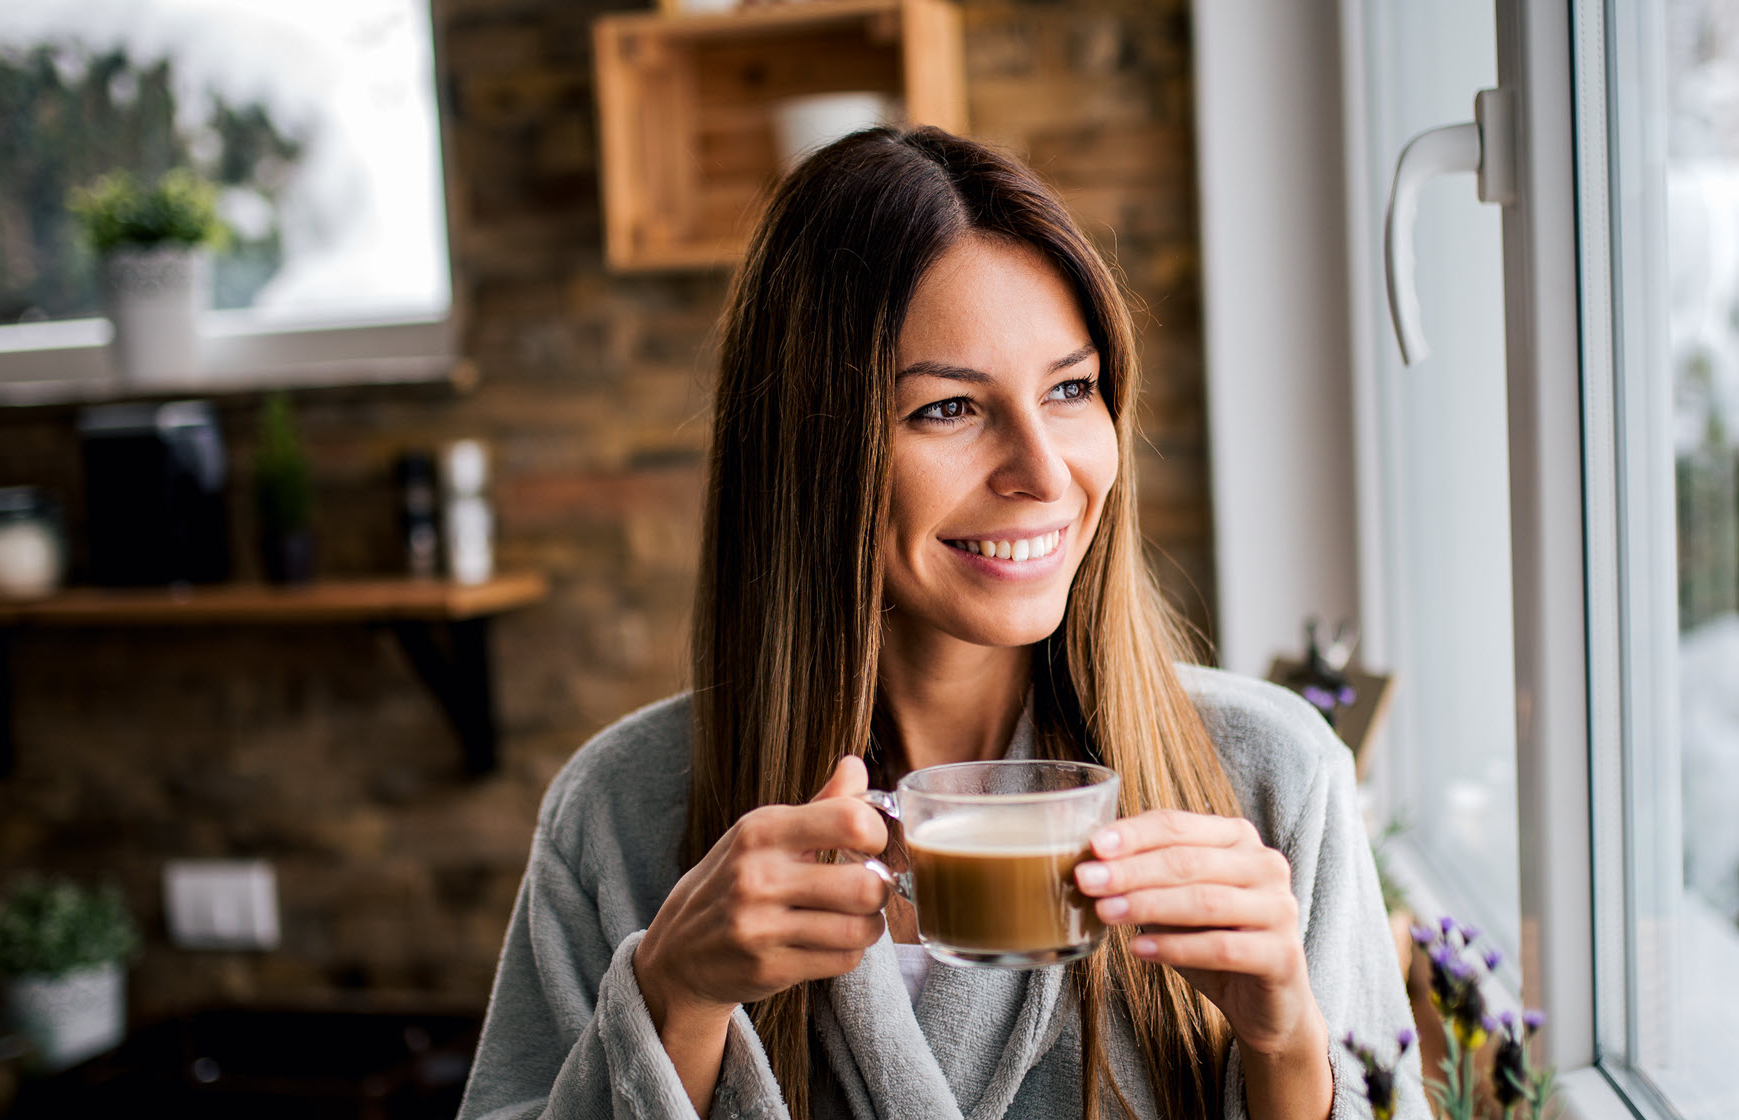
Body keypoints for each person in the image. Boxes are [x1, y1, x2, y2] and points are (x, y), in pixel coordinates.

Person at [456, 126, 1425, 1120]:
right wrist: (675, 1001)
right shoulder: (619, 815)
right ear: (811, 448)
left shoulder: (1268, 779)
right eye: (948, 410)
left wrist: (1285, 1047)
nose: (1044, 474)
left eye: (1068, 388)